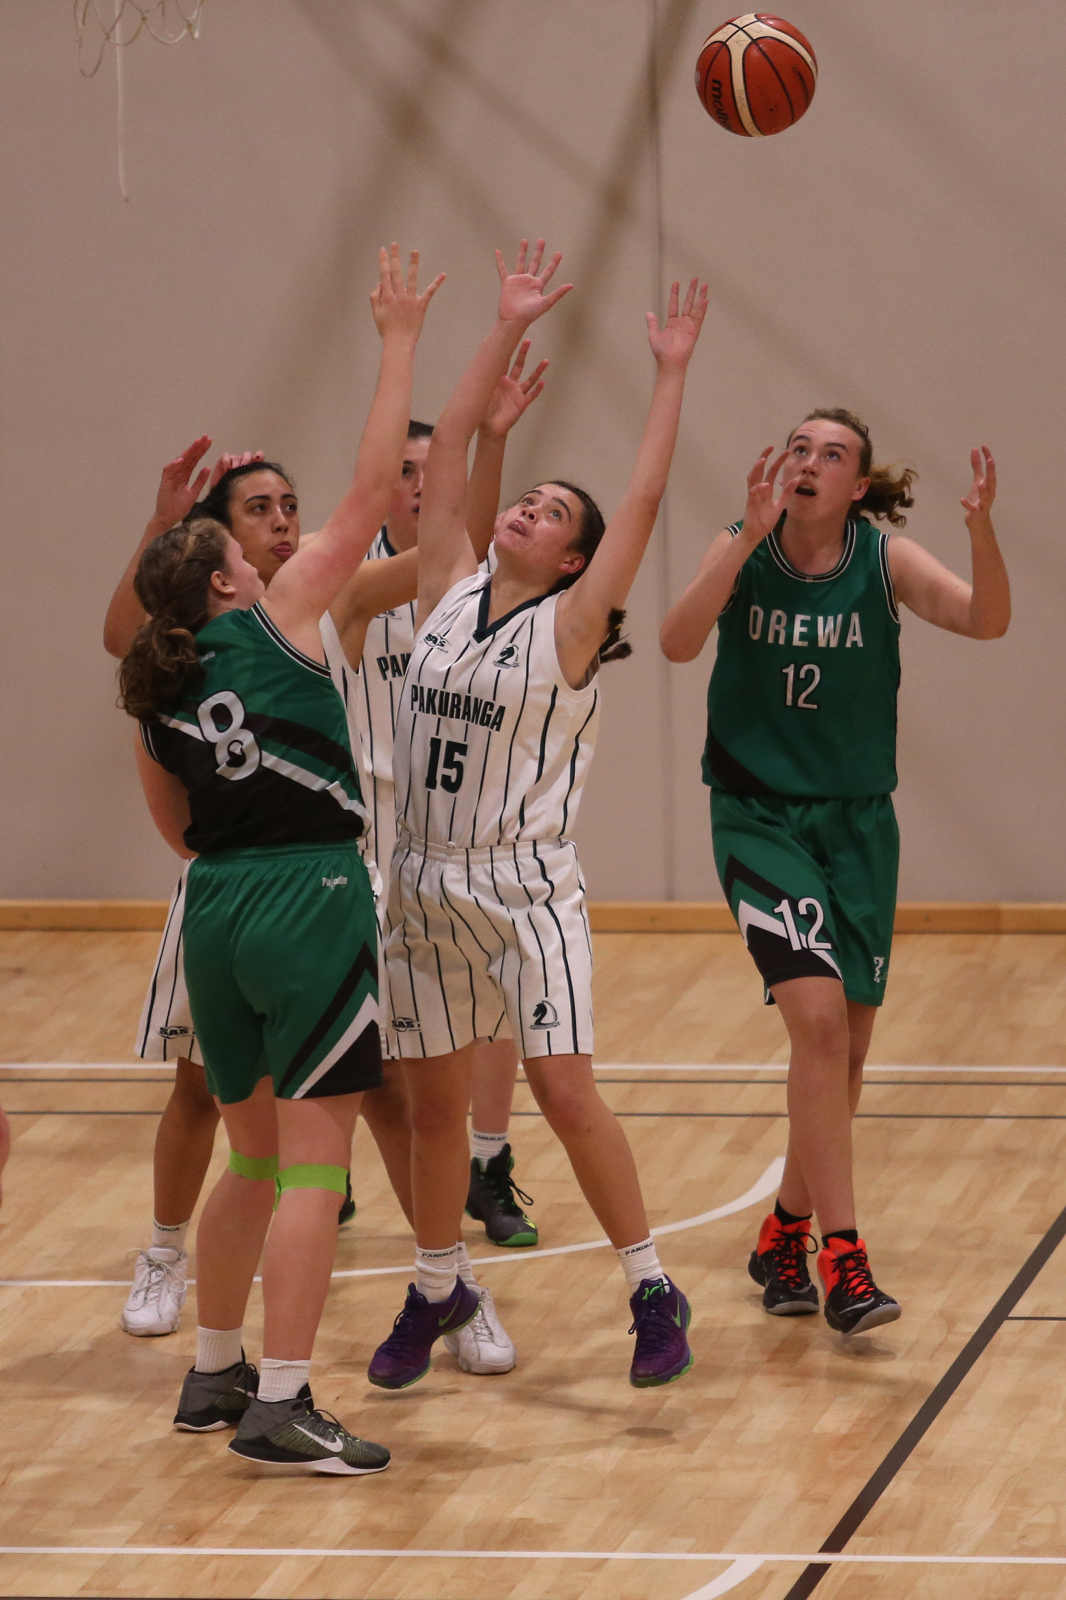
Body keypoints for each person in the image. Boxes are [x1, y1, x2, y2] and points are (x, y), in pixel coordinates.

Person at [119, 244, 441, 1473]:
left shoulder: (156, 685)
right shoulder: (281, 616)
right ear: (222, 574)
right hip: (309, 893)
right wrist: (397, 340)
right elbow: (371, 485)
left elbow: (178, 832)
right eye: (241, 547)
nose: (265, 552)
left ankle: (215, 1370)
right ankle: (286, 1404)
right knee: (313, 1165)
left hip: (214, 908)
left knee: (250, 1151)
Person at [369, 240, 707, 1391]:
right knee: (431, 1112)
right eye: (525, 498)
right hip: (422, 881)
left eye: (552, 511)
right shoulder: (444, 583)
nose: (524, 508)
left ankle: (651, 1286)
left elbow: (644, 497)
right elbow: (455, 438)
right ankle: (435, 1285)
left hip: (523, 886)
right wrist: (505, 321)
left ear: (574, 560)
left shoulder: (568, 628)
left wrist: (669, 374)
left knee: (561, 1089)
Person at [660, 411, 1009, 1335]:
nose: (809, 461)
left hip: (856, 826)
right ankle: (844, 1260)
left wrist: (981, 532)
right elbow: (676, 641)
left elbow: (987, 620)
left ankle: (785, 1229)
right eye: (800, 447)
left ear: (858, 487)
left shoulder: (883, 561)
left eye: (833, 454)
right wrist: (739, 541)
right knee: (815, 1024)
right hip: (757, 816)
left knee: (844, 1052)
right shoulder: (743, 546)